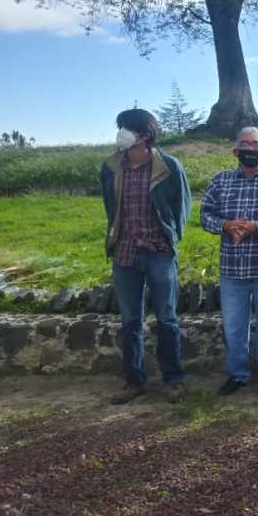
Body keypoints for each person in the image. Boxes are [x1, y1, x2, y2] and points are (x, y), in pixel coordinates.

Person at [100, 109, 191, 404]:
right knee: (130, 321)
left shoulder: (168, 166)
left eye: (127, 128)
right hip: (124, 254)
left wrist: (169, 240)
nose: (121, 133)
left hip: (159, 254)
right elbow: (110, 206)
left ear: (144, 136)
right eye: (121, 127)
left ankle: (173, 380)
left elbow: (182, 207)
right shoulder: (112, 167)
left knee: (167, 318)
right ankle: (133, 381)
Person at [200, 127, 258, 396]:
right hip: (232, 269)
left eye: (256, 145)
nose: (250, 149)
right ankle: (237, 375)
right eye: (245, 144)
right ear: (235, 150)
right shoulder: (220, 181)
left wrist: (256, 227)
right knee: (233, 328)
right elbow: (205, 215)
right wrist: (226, 225)